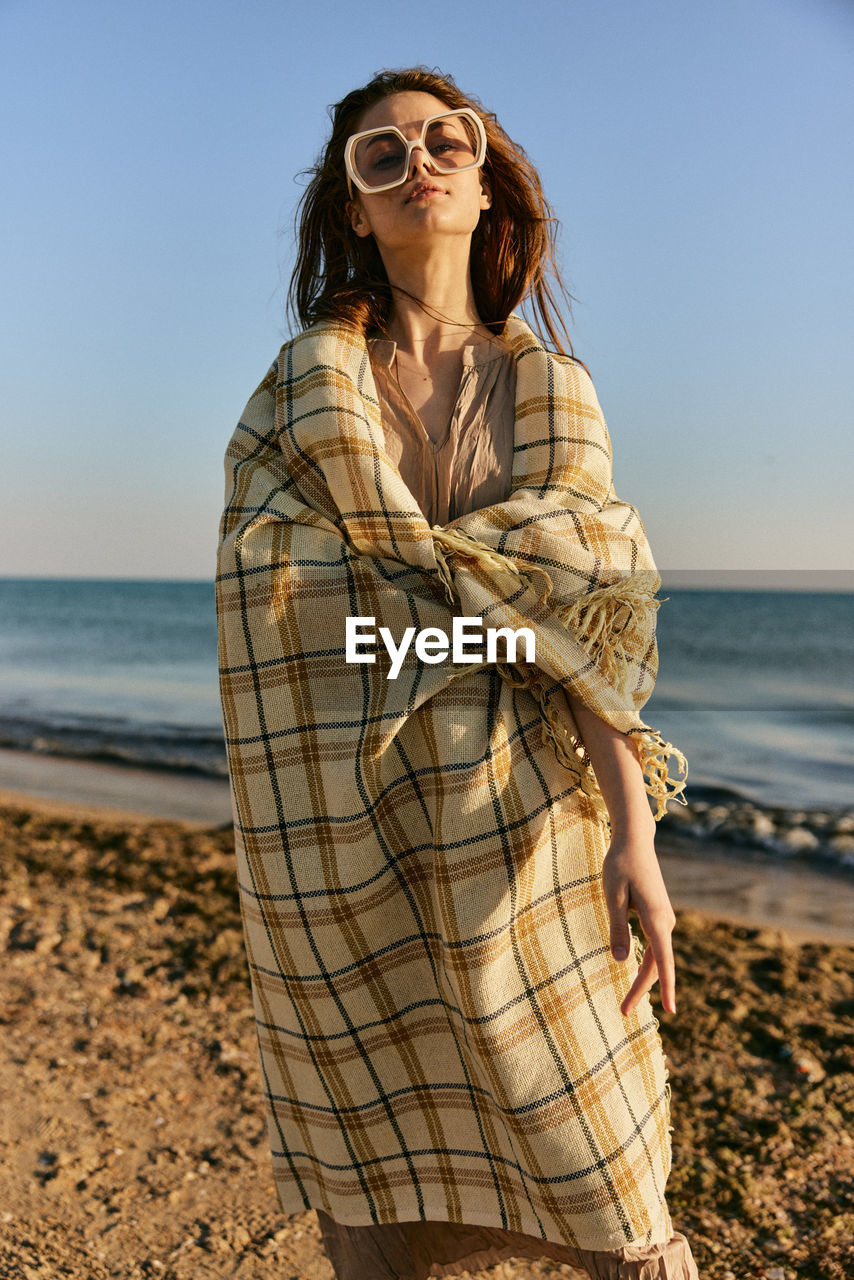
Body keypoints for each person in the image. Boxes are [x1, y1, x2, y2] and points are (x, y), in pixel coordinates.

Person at [216, 67, 699, 1280]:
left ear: (486, 185)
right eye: (380, 157)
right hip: (342, 835)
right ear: (355, 210)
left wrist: (632, 832)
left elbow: (589, 621)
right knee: (378, 1195)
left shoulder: (550, 389)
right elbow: (282, 616)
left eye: (445, 141)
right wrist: (491, 610)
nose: (416, 162)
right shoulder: (294, 398)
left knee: (611, 1175)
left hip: (524, 817)